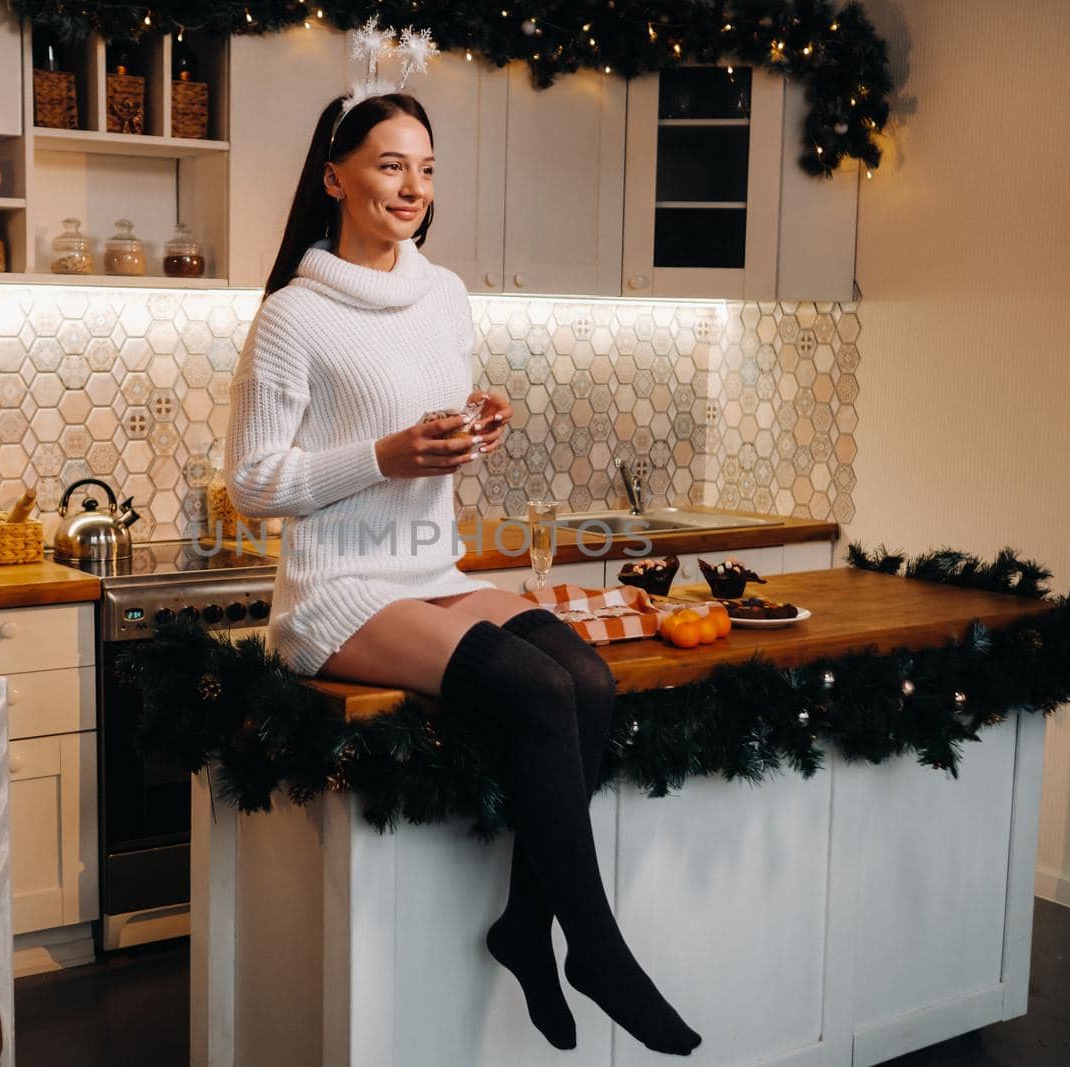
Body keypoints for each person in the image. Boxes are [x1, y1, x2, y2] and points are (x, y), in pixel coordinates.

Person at [225, 91, 702, 1057]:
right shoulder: (292, 316)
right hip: (339, 589)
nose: (414, 187)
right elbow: (251, 485)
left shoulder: (444, 295)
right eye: (391, 164)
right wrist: (386, 456)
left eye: (428, 168)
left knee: (589, 678)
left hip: (429, 568)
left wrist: (470, 428)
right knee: (530, 685)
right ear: (334, 176)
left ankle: (526, 925)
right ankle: (597, 945)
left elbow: (432, 437)